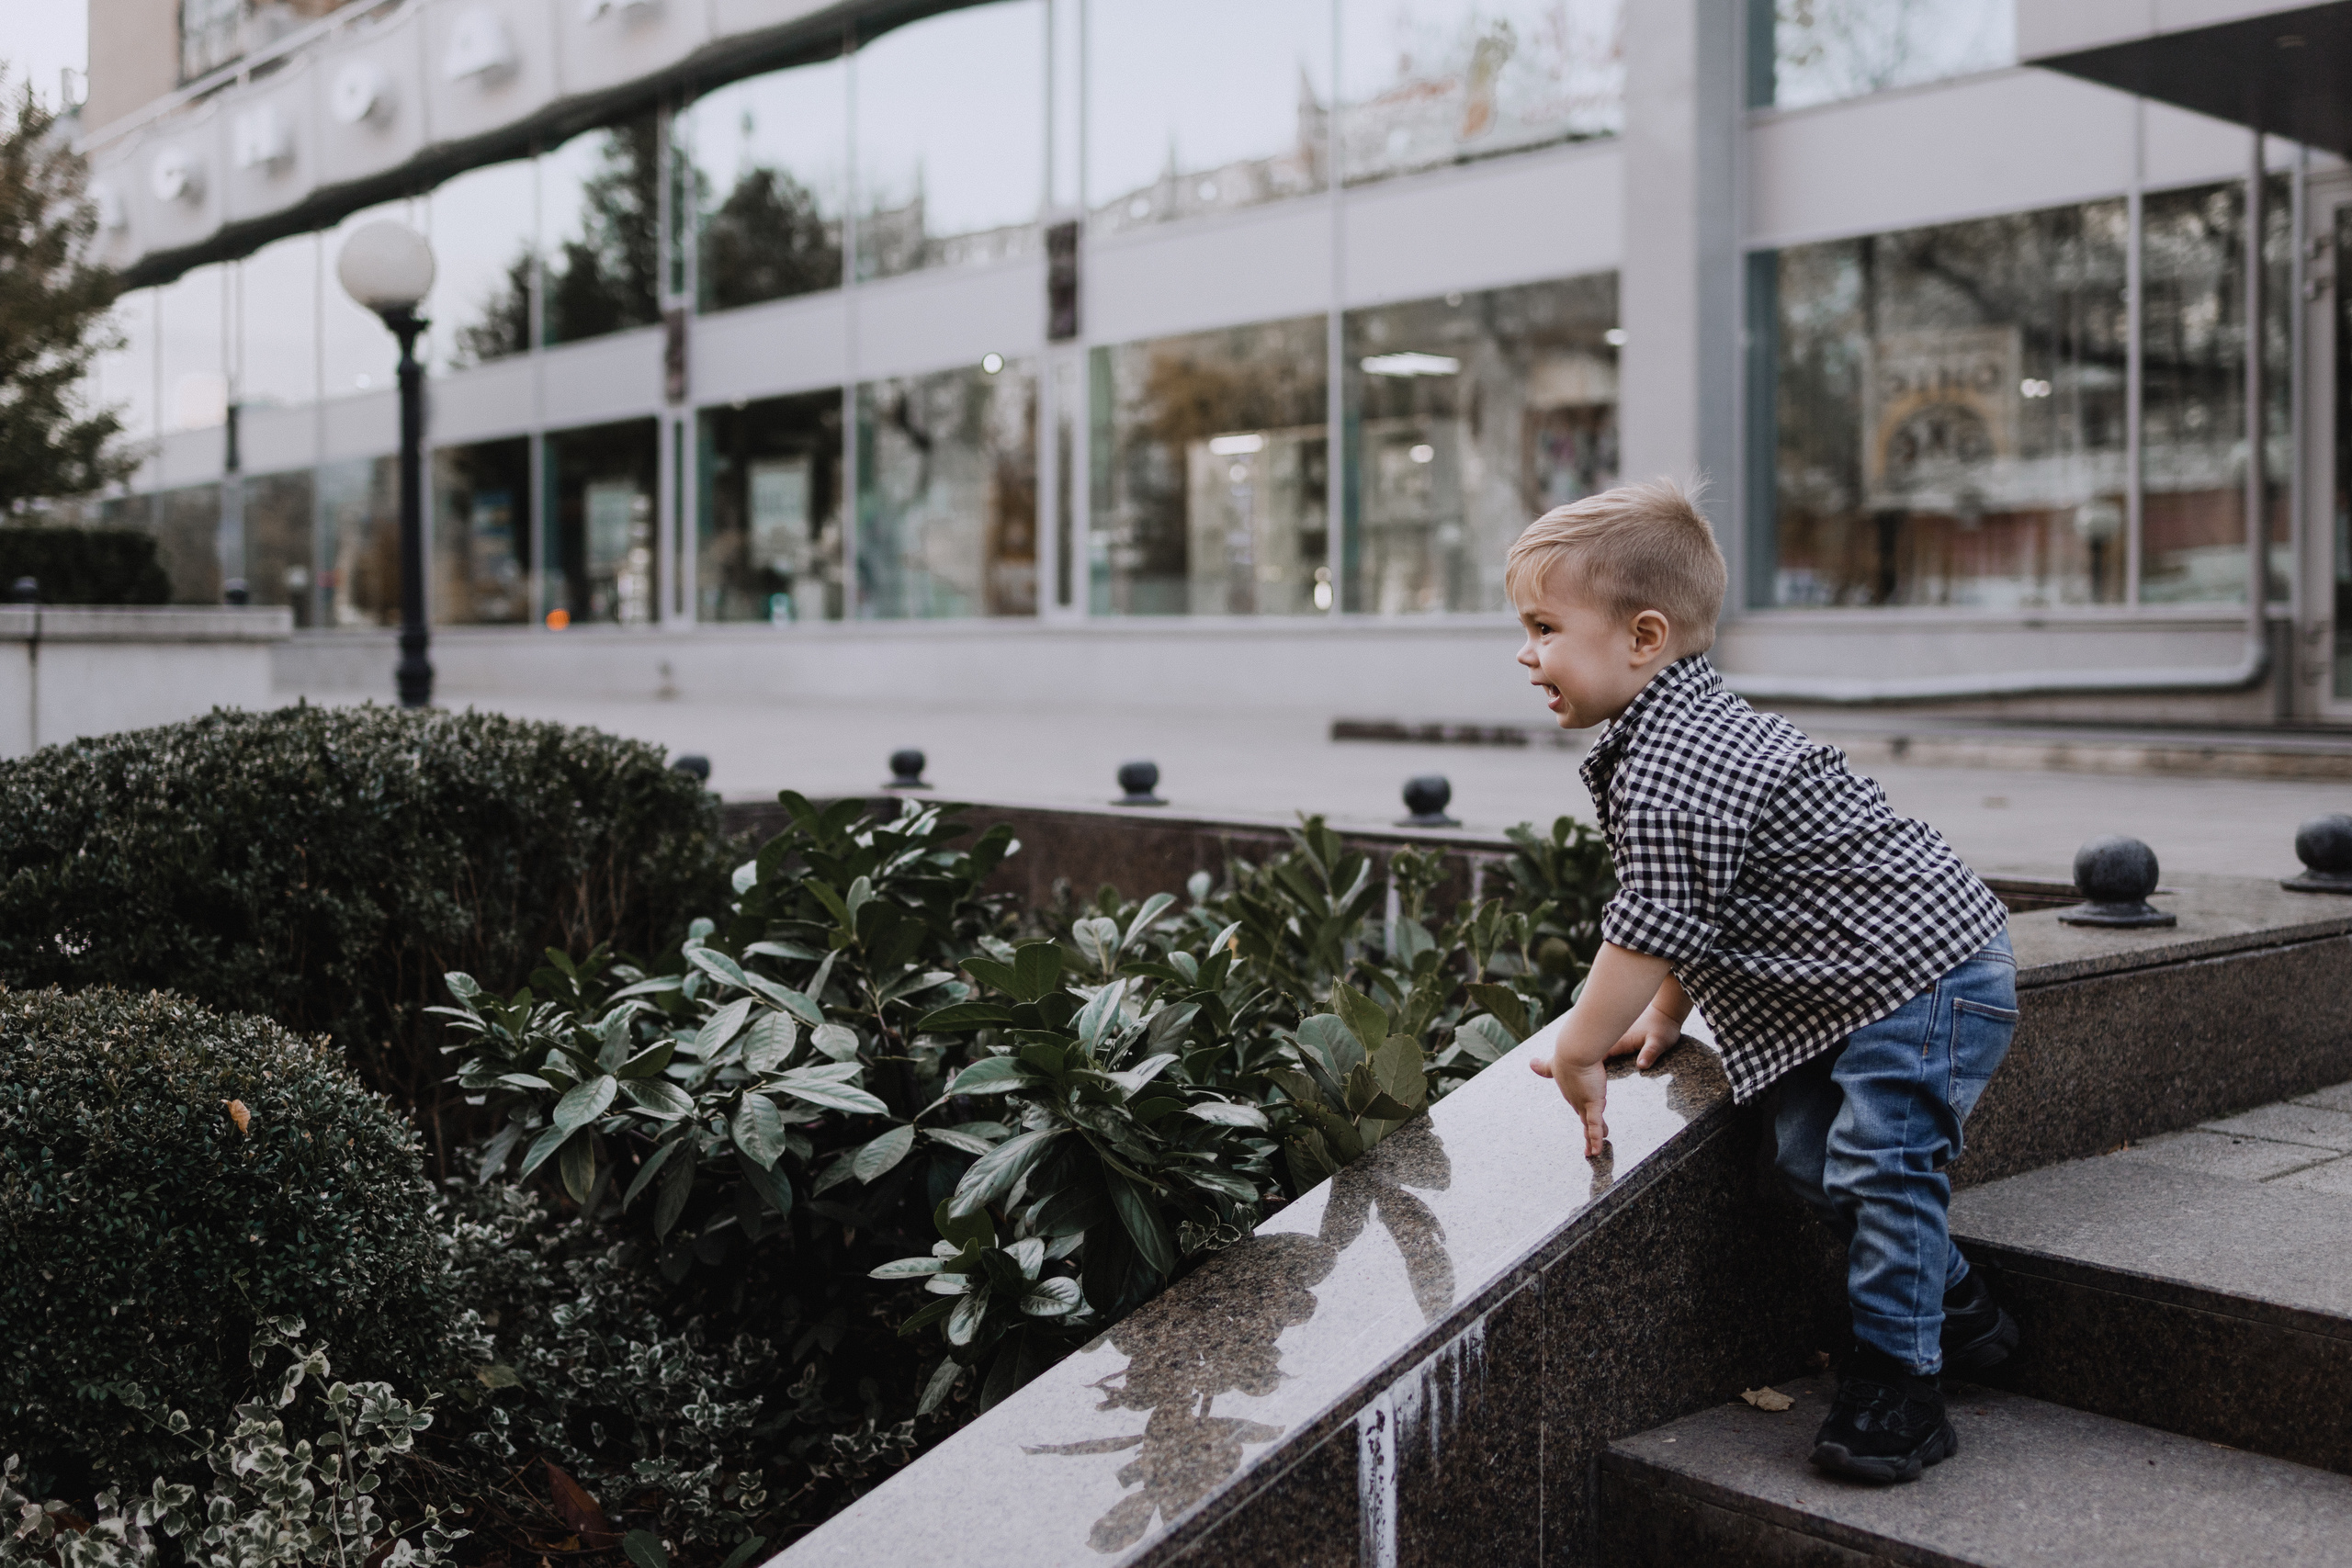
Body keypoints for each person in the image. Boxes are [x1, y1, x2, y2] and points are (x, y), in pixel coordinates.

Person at [1510, 478, 2019, 1484]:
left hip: (1923, 975)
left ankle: (1901, 1391)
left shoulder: (1682, 756)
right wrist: (1666, 1010)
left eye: (1542, 626)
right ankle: (1960, 1310)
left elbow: (1651, 919)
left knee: (1883, 1165)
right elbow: (1694, 905)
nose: (1526, 654)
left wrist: (1578, 1041)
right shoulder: (1660, 736)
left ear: (1644, 636)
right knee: (1804, 1164)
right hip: (1844, 989)